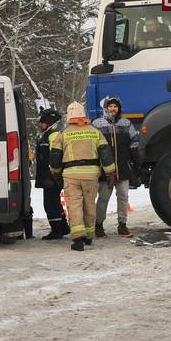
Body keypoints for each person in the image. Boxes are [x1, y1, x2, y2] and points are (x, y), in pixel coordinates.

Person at [49, 102, 116, 251]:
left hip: (71, 176)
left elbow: (55, 156)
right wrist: (110, 172)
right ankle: (89, 236)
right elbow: (105, 154)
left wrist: (55, 171)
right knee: (89, 204)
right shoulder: (94, 132)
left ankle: (78, 238)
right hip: (91, 175)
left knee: (74, 205)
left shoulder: (63, 134)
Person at [92, 96, 142, 237]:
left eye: (115, 106)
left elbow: (134, 144)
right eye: (110, 106)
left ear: (119, 108)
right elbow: (93, 146)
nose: (113, 109)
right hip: (106, 170)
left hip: (123, 168)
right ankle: (98, 225)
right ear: (106, 108)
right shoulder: (97, 124)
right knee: (103, 198)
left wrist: (136, 163)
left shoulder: (126, 124)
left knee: (123, 197)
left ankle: (122, 225)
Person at [34, 107, 70, 240]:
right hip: (50, 175)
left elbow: (54, 156)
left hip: (52, 176)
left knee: (50, 203)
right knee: (54, 202)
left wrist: (51, 176)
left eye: (42, 121)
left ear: (49, 121)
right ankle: (63, 226)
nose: (39, 124)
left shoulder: (53, 134)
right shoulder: (49, 133)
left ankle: (57, 229)